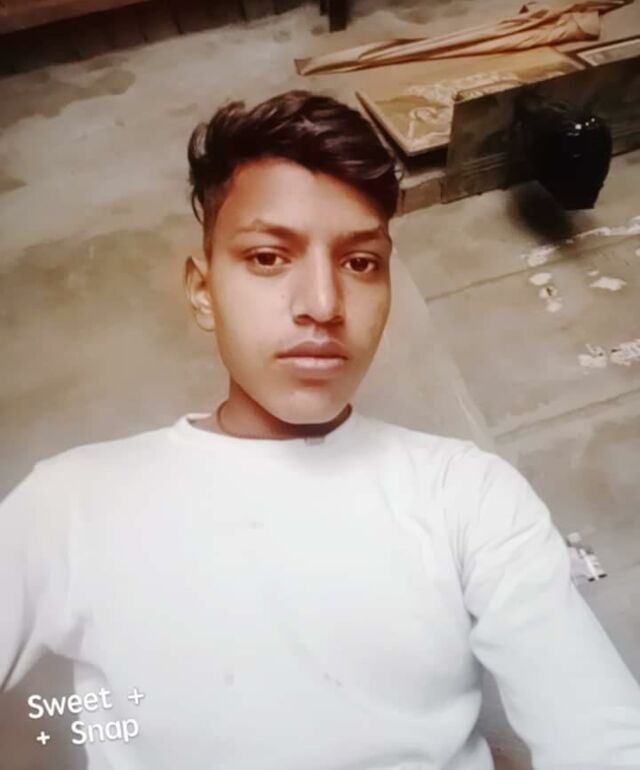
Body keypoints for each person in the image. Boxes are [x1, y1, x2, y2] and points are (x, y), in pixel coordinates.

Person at [1, 89, 639, 770]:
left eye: (360, 263)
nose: (323, 304)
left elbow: (601, 737)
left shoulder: (466, 494)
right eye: (268, 258)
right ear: (202, 291)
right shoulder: (71, 506)